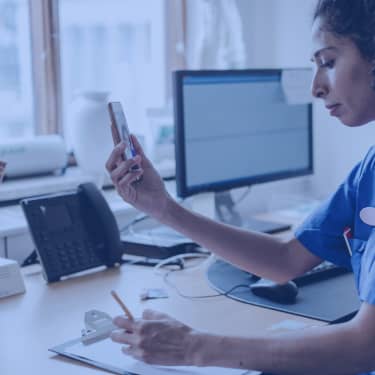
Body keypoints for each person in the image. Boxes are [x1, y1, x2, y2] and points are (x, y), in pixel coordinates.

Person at [105, 1, 375, 374]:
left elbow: (365, 346)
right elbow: (287, 260)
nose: (315, 87)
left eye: (328, 62)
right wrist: (163, 207)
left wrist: (193, 347)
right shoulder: (371, 168)